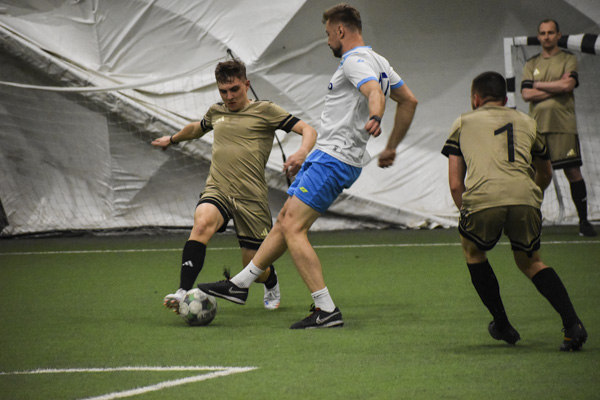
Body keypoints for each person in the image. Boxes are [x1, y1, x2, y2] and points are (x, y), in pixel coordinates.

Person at [197, 3, 418, 329]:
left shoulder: (354, 61)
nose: (327, 40)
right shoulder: (380, 61)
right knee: (285, 219)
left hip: (332, 158)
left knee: (292, 228)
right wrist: (391, 147)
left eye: (328, 34)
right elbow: (409, 100)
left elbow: (374, 91)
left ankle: (325, 309)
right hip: (335, 158)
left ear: (340, 30)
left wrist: (376, 116)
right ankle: (240, 284)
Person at [152, 59, 317, 312]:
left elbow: (308, 129)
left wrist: (302, 152)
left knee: (254, 267)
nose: (229, 97)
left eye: (234, 89)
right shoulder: (216, 112)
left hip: (251, 198)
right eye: (223, 91)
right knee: (202, 222)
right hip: (218, 189)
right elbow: (196, 129)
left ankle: (270, 279)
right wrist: (172, 139)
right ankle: (182, 292)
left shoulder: (266, 110)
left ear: (247, 85)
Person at [442, 71, 587, 351]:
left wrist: (466, 211)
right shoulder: (528, 122)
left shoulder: (463, 122)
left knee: (474, 252)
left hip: (483, 198)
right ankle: (573, 325)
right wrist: (530, 198)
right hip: (524, 196)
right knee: (531, 262)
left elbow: (455, 183)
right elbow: (545, 172)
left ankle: (502, 324)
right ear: (506, 98)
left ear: (475, 98)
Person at [521, 19, 596, 237]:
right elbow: (526, 94)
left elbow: (568, 85)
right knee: (536, 175)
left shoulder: (568, 59)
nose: (546, 36)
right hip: (537, 128)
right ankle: (531, 219)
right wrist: (556, 86)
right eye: (543, 33)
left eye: (551, 32)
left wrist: (538, 85)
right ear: (539, 36)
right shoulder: (531, 63)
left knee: (573, 172)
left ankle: (584, 222)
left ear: (558, 35)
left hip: (564, 126)